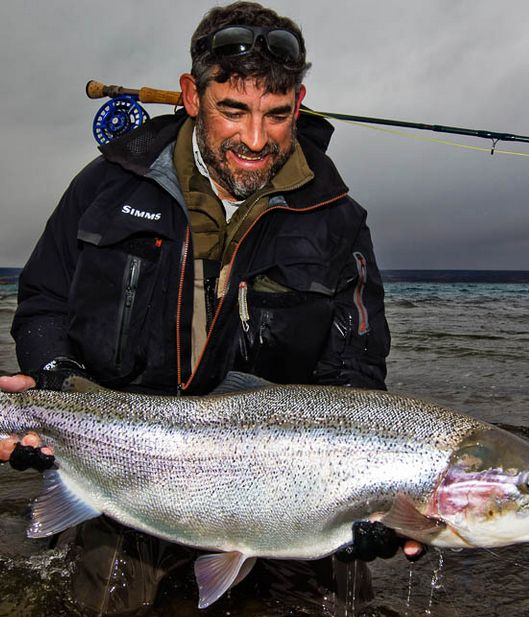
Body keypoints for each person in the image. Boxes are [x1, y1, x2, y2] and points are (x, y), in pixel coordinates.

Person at [0, 2, 422, 613]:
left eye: (277, 116)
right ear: (192, 96)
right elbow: (43, 303)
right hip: (125, 456)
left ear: (298, 103)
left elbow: (354, 373)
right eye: (234, 110)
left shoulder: (337, 220)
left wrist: (377, 498)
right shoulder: (106, 187)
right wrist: (53, 386)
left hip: (288, 479)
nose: (256, 139)